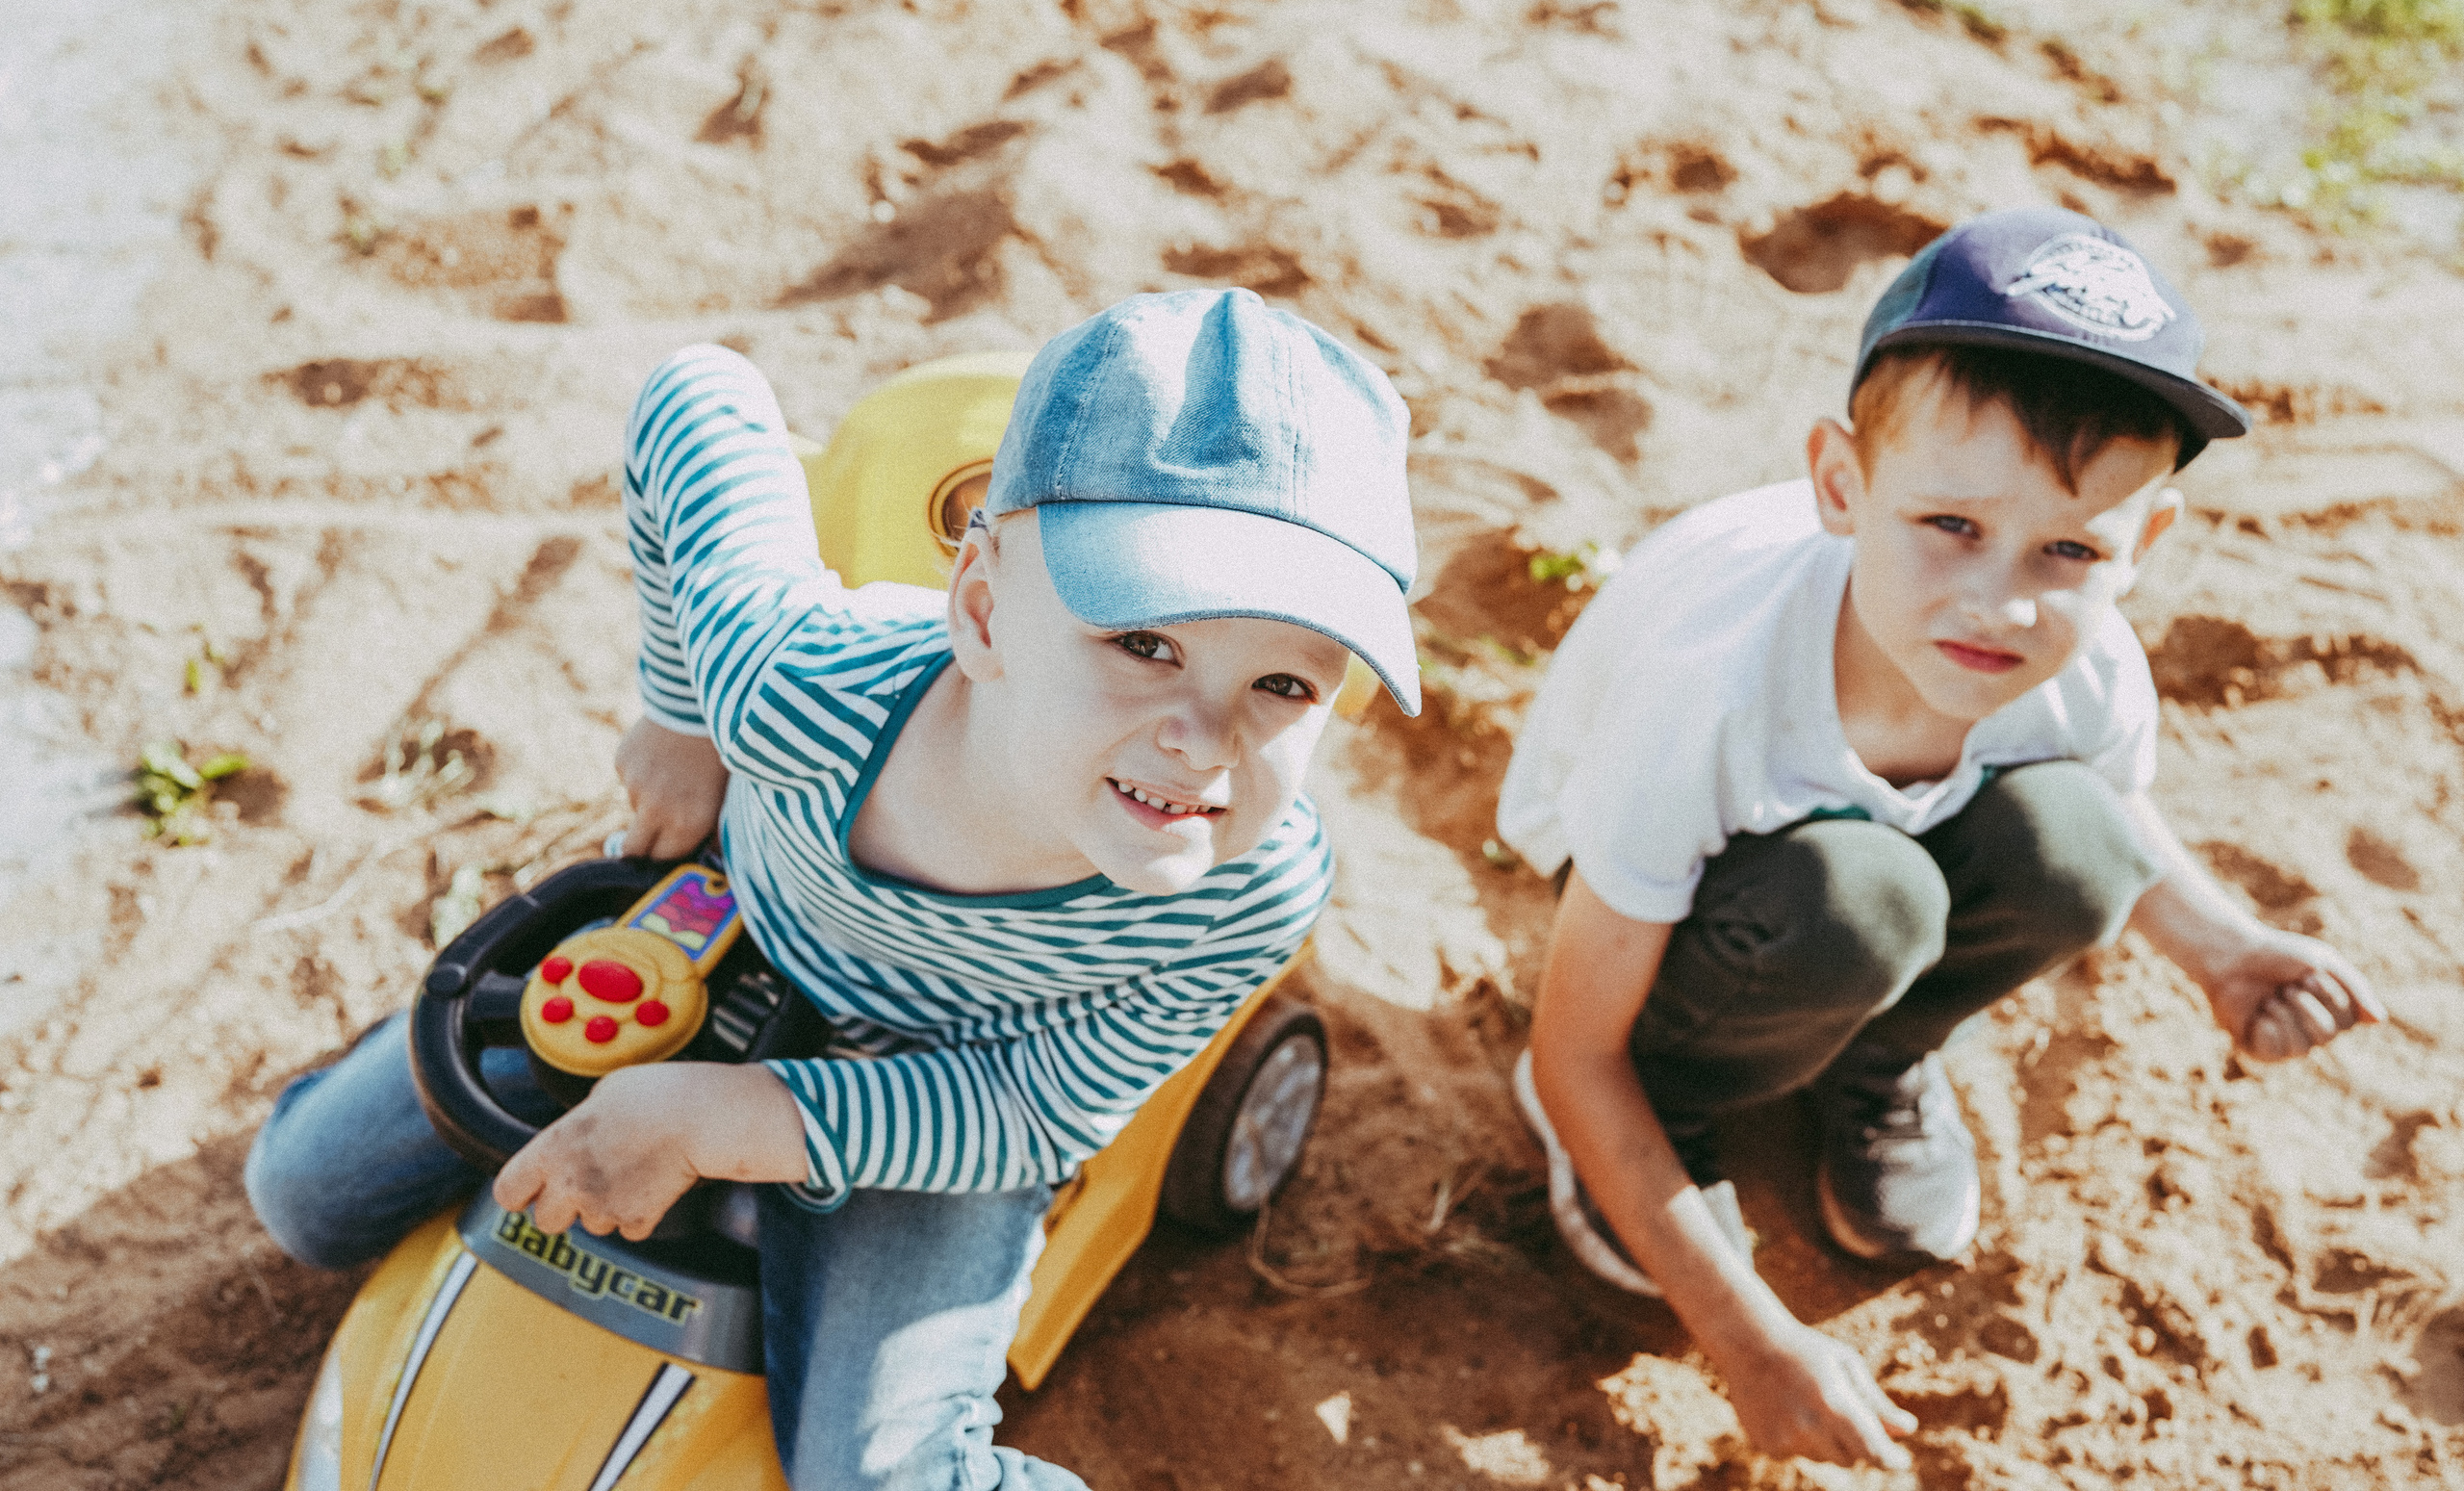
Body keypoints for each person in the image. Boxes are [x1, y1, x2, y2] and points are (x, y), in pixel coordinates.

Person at [244, 288, 1422, 1490]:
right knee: (301, 1195)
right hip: (737, 920)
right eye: (1143, 644)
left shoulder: (1247, 892)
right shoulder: (798, 683)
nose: (1206, 740)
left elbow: (1031, 1114)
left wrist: (722, 1117)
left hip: (957, 1081)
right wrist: (683, 713)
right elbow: (694, 397)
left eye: (1284, 684)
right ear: (979, 607)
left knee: (882, 1473)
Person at [1495, 209, 2385, 1471]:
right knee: (1859, 902)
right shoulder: (1708, 694)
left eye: (2071, 547)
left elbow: (2113, 814)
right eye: (1950, 526)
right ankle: (1682, 1104)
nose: (2003, 601)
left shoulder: (2083, 664)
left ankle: (1878, 1053)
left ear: (2146, 544)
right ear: (1842, 484)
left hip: (1840, 860)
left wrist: (2223, 948)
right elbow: (1569, 1046)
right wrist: (1744, 1333)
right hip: (1666, 882)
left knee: (2076, 843)